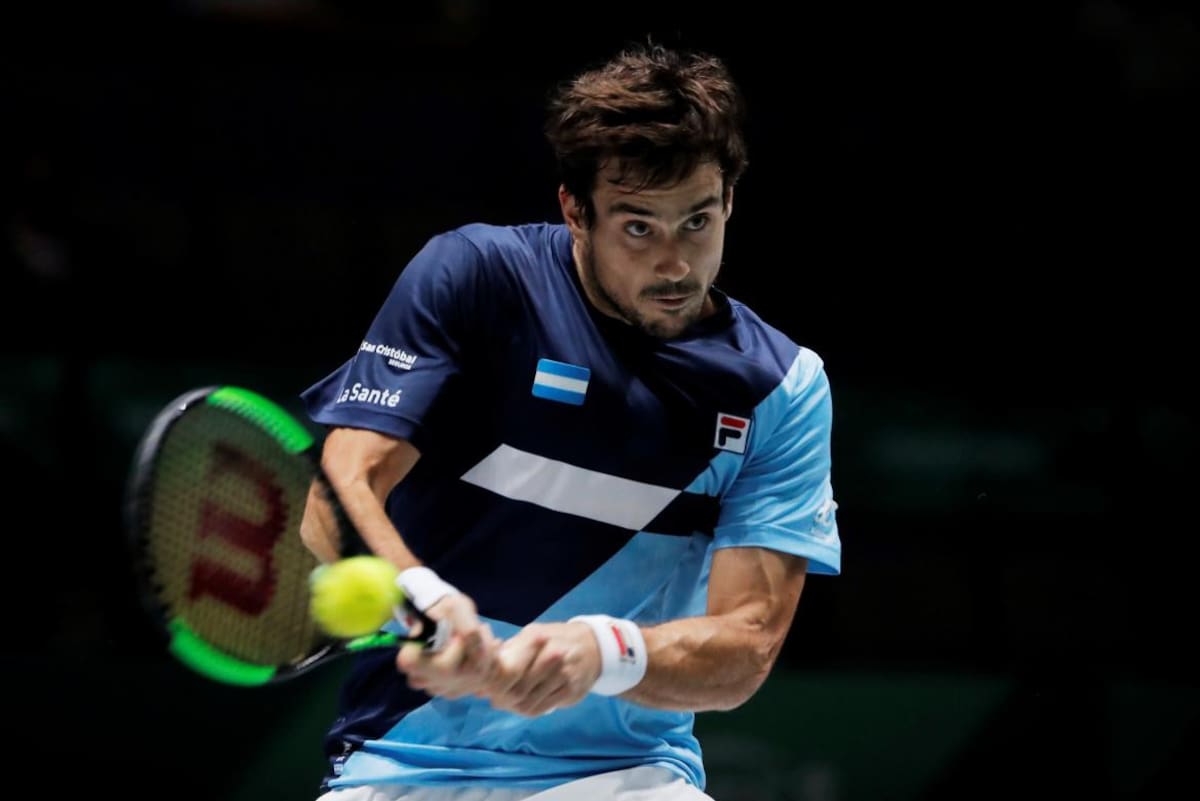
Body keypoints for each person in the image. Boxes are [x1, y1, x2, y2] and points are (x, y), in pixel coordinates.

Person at [297, 39, 841, 801]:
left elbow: (747, 647)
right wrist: (421, 600)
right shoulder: (480, 281)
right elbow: (340, 486)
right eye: (638, 227)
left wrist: (601, 649)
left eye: (697, 221)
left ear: (728, 203)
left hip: (627, 776)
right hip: (402, 762)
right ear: (573, 210)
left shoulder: (779, 386)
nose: (676, 264)